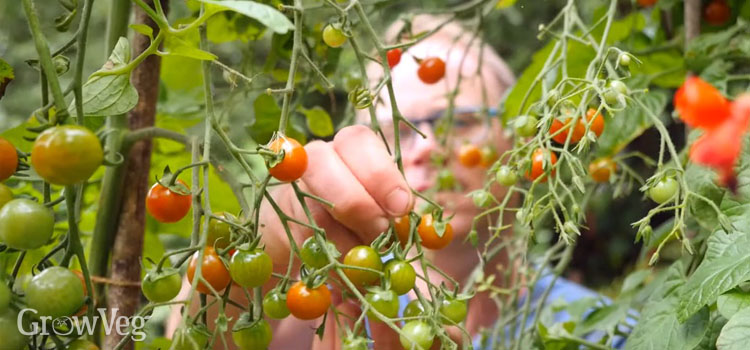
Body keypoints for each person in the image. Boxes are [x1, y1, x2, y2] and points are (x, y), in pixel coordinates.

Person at [168, 15, 604, 350]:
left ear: (520, 139)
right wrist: (264, 255)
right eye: (395, 130)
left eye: (460, 120)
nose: (426, 146)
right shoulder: (309, 319)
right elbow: (190, 339)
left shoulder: (608, 330)